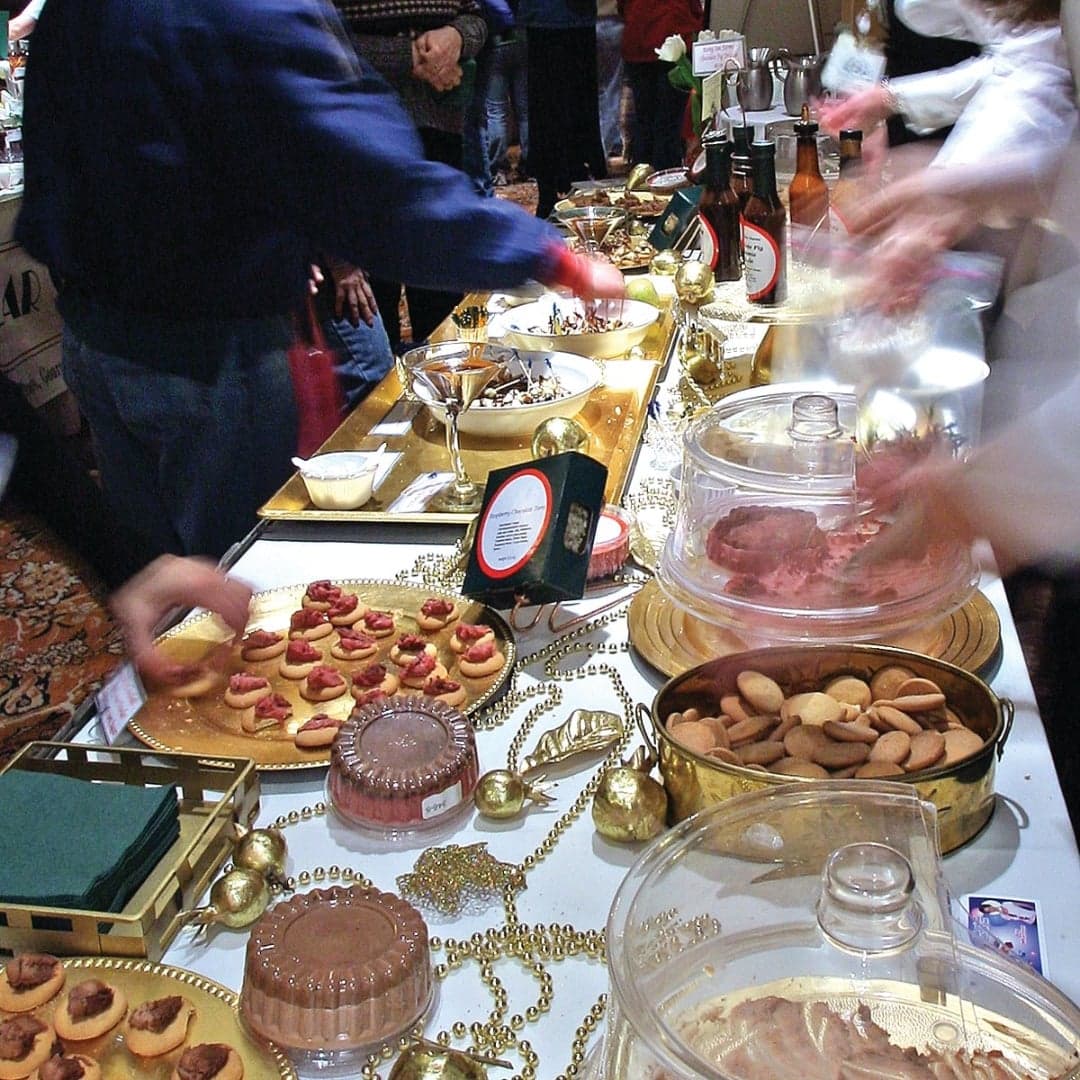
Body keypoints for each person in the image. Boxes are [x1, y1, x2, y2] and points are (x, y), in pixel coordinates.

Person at [16, 0, 622, 566]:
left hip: (92, 337)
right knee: (245, 592)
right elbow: (370, 188)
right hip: (206, 356)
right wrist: (550, 257)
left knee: (164, 588)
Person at [331, 0, 490, 351]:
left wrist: (456, 37)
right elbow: (318, 39)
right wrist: (410, 58)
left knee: (441, 283)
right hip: (361, 130)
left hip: (441, 125)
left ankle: (451, 395)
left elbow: (477, 18)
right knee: (373, 296)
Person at [517, 0, 608, 217]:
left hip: (547, 20)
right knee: (567, 112)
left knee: (548, 113)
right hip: (564, 21)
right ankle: (564, 193)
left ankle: (553, 195)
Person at [619, 0, 703, 171]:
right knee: (670, 124)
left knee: (644, 120)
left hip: (638, 38)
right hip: (674, 34)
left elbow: (622, 6)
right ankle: (666, 183)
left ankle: (640, 181)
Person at [596, 0, 626, 163]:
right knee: (611, 90)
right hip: (614, 20)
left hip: (587, 21)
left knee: (596, 89)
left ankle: (612, 140)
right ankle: (604, 145)